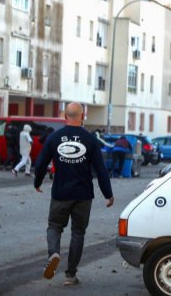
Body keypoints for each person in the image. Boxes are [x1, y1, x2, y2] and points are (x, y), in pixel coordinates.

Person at [33, 102, 113, 286]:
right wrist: (108, 194)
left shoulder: (54, 137)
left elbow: (40, 163)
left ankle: (54, 253)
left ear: (64, 117)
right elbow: (101, 170)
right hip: (83, 194)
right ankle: (70, 275)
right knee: (78, 233)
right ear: (83, 116)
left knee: (54, 226)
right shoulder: (91, 139)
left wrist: (37, 182)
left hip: (61, 192)